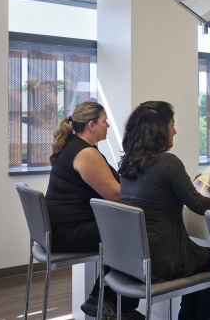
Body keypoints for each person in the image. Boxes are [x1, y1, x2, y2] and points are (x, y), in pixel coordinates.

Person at [118, 101, 210, 320]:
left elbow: (159, 193)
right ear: (160, 129)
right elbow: (198, 205)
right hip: (164, 259)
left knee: (202, 262)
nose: (175, 130)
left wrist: (190, 185)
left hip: (136, 257)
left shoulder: (129, 163)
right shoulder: (168, 162)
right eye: (172, 124)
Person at [45, 102, 142, 320]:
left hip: (62, 229)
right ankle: (107, 302)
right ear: (91, 125)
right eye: (104, 121)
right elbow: (116, 195)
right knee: (131, 235)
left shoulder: (76, 146)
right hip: (69, 233)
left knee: (121, 231)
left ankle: (107, 301)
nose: (107, 125)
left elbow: (113, 184)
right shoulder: (85, 153)